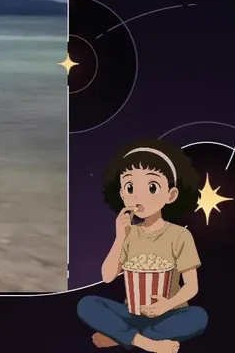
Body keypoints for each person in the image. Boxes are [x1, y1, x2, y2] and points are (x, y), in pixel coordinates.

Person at [76, 139, 208, 353]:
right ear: (122, 194)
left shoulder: (180, 235)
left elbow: (192, 286)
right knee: (87, 304)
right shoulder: (128, 234)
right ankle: (145, 342)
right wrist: (120, 237)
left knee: (198, 317)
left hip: (169, 314)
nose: (138, 196)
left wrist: (167, 304)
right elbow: (108, 276)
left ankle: (123, 337)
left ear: (171, 195)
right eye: (130, 187)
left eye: (151, 187)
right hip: (131, 313)